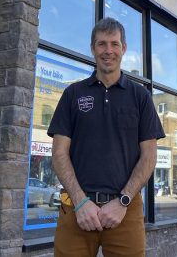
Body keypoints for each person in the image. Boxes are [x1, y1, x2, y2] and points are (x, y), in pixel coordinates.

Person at [47, 17, 165, 257]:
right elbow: (59, 154)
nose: (108, 50)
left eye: (114, 44)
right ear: (92, 48)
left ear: (124, 48)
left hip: (125, 210)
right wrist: (80, 202)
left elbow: (149, 156)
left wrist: (122, 202)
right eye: (101, 44)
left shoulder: (140, 96)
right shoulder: (73, 94)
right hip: (76, 208)